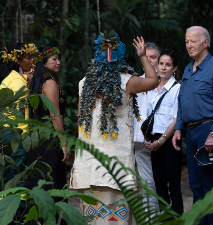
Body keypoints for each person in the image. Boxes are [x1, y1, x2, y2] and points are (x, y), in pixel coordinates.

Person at [70, 31, 158, 225]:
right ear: (119, 58)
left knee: (94, 217)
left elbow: (80, 120)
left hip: (90, 161)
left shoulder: (84, 84)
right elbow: (153, 80)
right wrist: (143, 56)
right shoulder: (126, 81)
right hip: (116, 162)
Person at [172, 26, 213, 225]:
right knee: (195, 185)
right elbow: (182, 102)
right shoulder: (188, 68)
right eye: (187, 41)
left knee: (210, 185)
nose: (189, 45)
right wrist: (178, 127)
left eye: (193, 41)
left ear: (205, 42)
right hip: (191, 131)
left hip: (208, 129)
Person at [144, 49, 183, 215]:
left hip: (170, 140)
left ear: (174, 68)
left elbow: (177, 118)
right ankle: (165, 219)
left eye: (168, 65)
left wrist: (161, 140)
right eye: (161, 64)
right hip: (153, 140)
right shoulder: (151, 87)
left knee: (173, 186)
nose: (163, 68)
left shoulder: (177, 88)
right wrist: (149, 138)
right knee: (159, 186)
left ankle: (177, 220)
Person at [27, 46, 69, 195]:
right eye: (54, 59)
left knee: (39, 182)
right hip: (50, 138)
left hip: (36, 137)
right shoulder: (50, 83)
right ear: (44, 63)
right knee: (52, 182)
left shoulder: (35, 83)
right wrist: (63, 142)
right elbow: (55, 115)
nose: (58, 62)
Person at [0, 42, 37, 190]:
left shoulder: (7, 78)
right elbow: (20, 110)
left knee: (7, 175)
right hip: (16, 133)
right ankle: (18, 209)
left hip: (5, 130)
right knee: (17, 176)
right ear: (18, 60)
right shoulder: (17, 81)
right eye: (28, 58)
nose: (31, 61)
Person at [133, 42, 160, 211]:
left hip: (159, 139)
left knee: (155, 182)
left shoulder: (165, 82)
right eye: (146, 56)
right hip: (137, 140)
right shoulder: (137, 82)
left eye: (153, 57)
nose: (150, 61)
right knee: (142, 183)